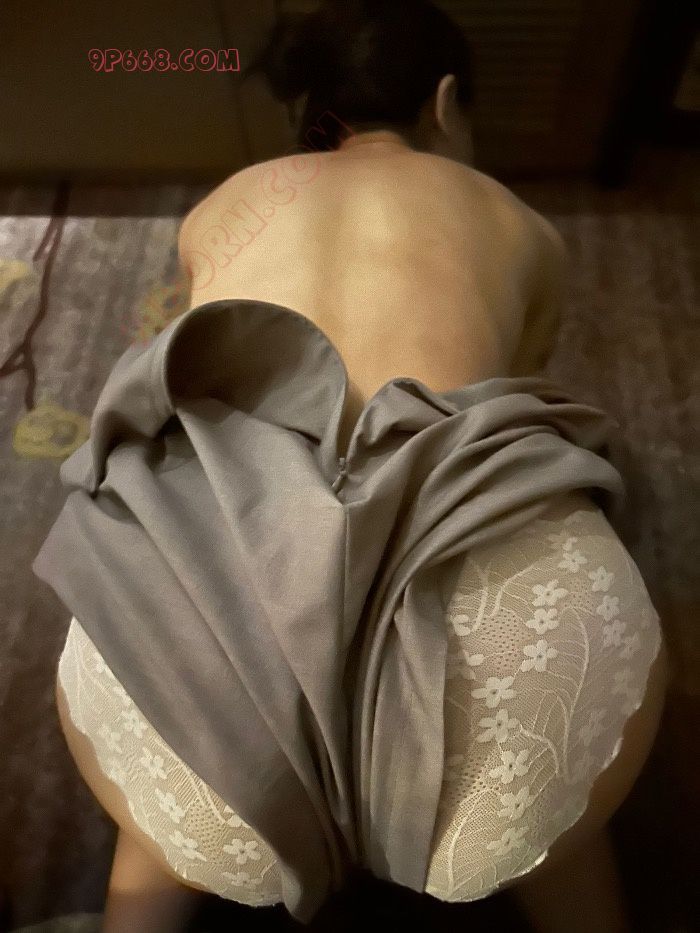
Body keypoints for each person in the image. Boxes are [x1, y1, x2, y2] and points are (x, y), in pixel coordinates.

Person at [52, 2, 668, 930]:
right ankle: (557, 857)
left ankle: (157, 873)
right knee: (561, 831)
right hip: (511, 640)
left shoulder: (227, 205)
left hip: (200, 612)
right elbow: (520, 384)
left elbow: (209, 348)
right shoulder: (521, 223)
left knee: (166, 827)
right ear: (447, 102)